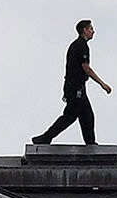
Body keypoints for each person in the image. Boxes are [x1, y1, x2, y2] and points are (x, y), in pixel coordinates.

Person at [34, 19, 112, 147]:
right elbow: (86, 68)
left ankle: (91, 144)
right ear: (84, 30)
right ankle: (45, 138)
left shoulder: (80, 45)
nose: (93, 31)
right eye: (91, 29)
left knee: (87, 115)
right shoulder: (81, 46)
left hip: (78, 87)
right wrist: (102, 84)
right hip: (75, 88)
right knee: (70, 116)